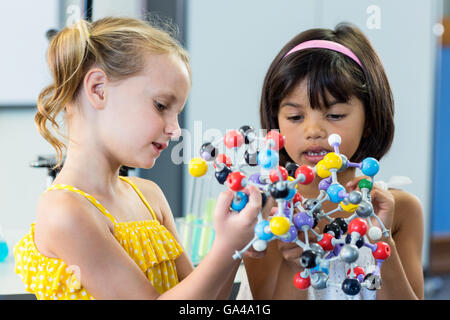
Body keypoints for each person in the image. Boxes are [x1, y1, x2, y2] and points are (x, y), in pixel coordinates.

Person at [13, 16, 262, 300]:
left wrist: (235, 248)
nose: (175, 129)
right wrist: (226, 248)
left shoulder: (150, 196)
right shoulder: (65, 211)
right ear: (98, 89)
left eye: (176, 112)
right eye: (161, 105)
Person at [242, 23, 424, 300]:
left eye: (335, 115)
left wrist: (381, 240)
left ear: (370, 121)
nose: (313, 131)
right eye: (295, 117)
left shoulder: (399, 209)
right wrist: (296, 261)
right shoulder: (266, 213)